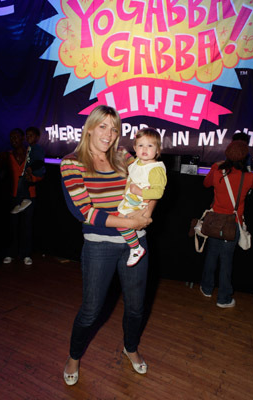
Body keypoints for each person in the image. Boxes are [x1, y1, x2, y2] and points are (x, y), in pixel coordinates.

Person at [60, 105, 155, 386]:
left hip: (136, 243)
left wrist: (147, 212)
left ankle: (131, 347)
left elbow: (151, 183)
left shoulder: (124, 156)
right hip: (99, 245)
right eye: (103, 126)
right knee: (91, 311)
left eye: (114, 128)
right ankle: (74, 356)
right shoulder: (72, 162)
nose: (109, 133)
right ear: (90, 127)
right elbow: (84, 213)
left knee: (136, 308)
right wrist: (129, 223)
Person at [200, 140, 253, 308]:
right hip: (232, 224)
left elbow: (206, 184)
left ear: (227, 154)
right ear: (244, 157)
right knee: (226, 261)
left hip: (214, 222)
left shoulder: (218, 171)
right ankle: (223, 298)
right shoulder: (247, 177)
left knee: (211, 256)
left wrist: (213, 166)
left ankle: (206, 288)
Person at [117, 128, 167, 266]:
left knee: (120, 223)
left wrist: (139, 191)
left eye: (150, 145)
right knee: (121, 222)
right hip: (130, 201)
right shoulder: (136, 162)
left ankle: (136, 248)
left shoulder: (155, 168)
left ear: (158, 150)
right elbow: (131, 179)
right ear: (134, 147)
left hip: (139, 204)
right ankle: (133, 246)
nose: (144, 149)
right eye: (140, 145)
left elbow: (158, 193)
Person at [0, 128, 44, 266]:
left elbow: (40, 173)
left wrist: (32, 178)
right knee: (13, 226)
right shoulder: (8, 155)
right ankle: (11, 253)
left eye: (16, 137)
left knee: (27, 226)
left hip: (29, 195)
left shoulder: (30, 153)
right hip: (14, 195)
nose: (14, 140)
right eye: (11, 138)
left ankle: (26, 254)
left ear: (22, 139)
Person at [11, 126, 45, 214]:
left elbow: (40, 162)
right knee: (21, 182)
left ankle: (26, 199)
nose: (28, 137)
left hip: (36, 173)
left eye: (31, 135)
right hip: (29, 174)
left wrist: (30, 169)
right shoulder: (29, 148)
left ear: (37, 137)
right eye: (27, 135)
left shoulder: (37, 148)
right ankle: (21, 202)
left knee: (23, 181)